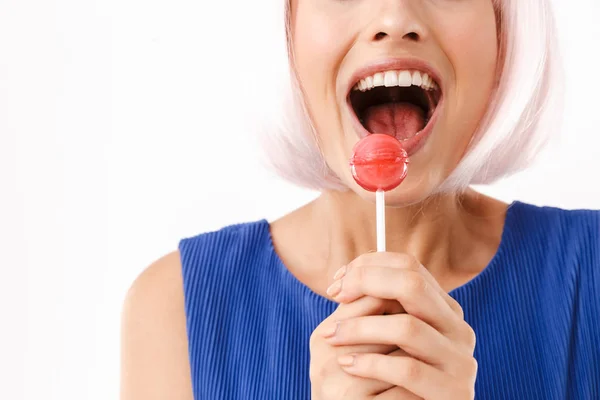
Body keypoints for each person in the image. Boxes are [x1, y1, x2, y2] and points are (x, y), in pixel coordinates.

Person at [120, 0, 600, 399]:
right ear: (286, 29)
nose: (395, 19)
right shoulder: (178, 309)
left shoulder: (590, 272)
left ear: (504, 27)